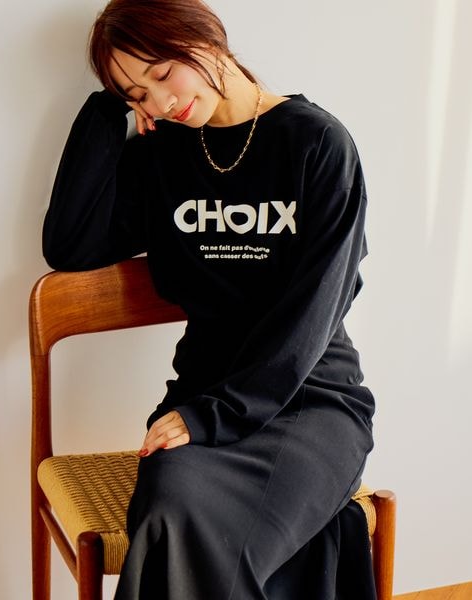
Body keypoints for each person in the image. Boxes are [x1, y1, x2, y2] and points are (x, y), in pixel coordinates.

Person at [42, 0, 377, 597]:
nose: (159, 102)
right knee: (172, 508)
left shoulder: (317, 144)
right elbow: (69, 244)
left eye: (162, 74)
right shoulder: (164, 155)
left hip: (308, 399)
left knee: (192, 527)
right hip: (200, 392)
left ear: (205, 39)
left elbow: (312, 315)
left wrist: (213, 416)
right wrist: (104, 113)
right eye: (137, 94)